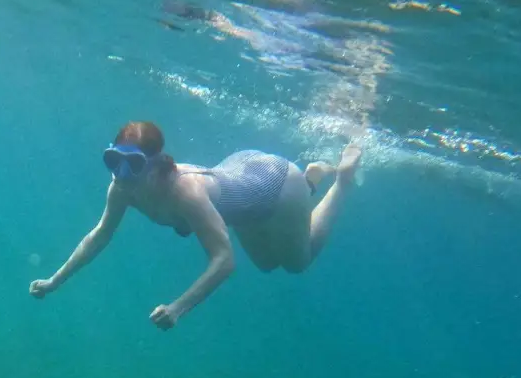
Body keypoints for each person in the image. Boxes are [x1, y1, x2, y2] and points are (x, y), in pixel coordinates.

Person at [29, 120, 362, 330]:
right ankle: (311, 183)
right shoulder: (122, 187)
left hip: (277, 183)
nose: (122, 173)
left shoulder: (185, 192)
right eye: (114, 161)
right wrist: (54, 280)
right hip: (243, 180)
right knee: (265, 264)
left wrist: (178, 308)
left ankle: (339, 182)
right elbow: (99, 236)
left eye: (132, 163)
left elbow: (224, 261)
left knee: (295, 264)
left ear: (156, 163)